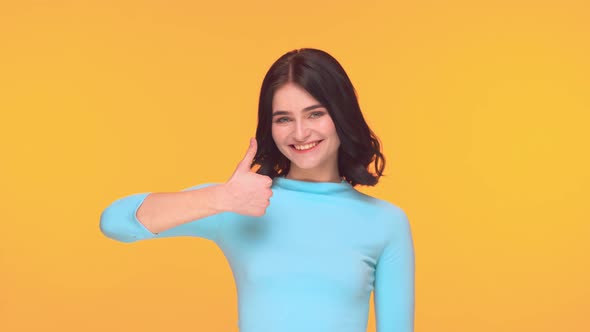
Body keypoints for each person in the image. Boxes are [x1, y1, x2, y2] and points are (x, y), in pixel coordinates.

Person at [100, 48, 415, 332]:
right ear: (270, 126)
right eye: (283, 119)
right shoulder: (240, 205)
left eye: (315, 113)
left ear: (341, 116)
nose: (300, 132)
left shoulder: (385, 222)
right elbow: (115, 222)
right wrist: (222, 198)